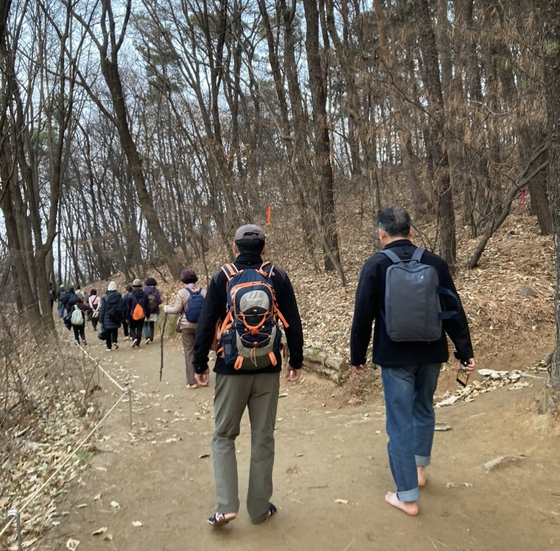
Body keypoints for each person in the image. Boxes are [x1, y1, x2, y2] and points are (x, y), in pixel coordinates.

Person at [350, 206, 475, 516]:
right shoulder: (434, 263)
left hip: (394, 358)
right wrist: (464, 351)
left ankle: (407, 497)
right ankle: (419, 471)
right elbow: (453, 309)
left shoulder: (375, 265)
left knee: (399, 422)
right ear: (412, 231)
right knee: (423, 409)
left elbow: (362, 317)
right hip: (432, 353)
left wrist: (357, 356)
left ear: (382, 234)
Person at [193, 224, 304, 527]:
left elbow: (206, 322)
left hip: (231, 367)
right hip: (268, 366)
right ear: (264, 248)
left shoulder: (222, 276)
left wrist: (199, 363)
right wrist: (296, 360)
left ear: (235, 247)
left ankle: (226, 506)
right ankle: (258, 509)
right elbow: (292, 321)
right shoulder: (277, 276)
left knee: (224, 435)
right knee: (263, 438)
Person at [164, 269, 206, 388]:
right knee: (200, 351)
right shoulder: (203, 291)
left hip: (186, 325)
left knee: (189, 352)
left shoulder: (182, 292)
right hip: (201, 326)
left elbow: (177, 310)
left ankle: (192, 382)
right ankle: (201, 376)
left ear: (183, 280)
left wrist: (166, 308)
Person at [123, 278, 149, 348]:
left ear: (133, 286)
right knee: (139, 329)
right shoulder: (144, 295)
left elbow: (127, 307)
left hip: (132, 314)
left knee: (132, 328)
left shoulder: (129, 295)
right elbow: (147, 306)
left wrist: (126, 317)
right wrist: (147, 315)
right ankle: (138, 344)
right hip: (141, 314)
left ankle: (134, 338)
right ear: (140, 286)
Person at [99, 281, 124, 351]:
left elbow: (102, 310)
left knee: (108, 333)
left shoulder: (104, 299)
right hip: (116, 317)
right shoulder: (119, 297)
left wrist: (101, 319)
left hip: (107, 318)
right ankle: (115, 341)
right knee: (115, 330)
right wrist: (121, 317)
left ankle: (109, 347)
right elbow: (122, 308)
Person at [143, 277, 162, 344]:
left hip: (145, 310)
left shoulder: (144, 291)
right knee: (151, 324)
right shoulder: (156, 291)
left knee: (144, 324)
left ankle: (147, 337)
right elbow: (159, 301)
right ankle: (151, 338)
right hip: (154, 310)